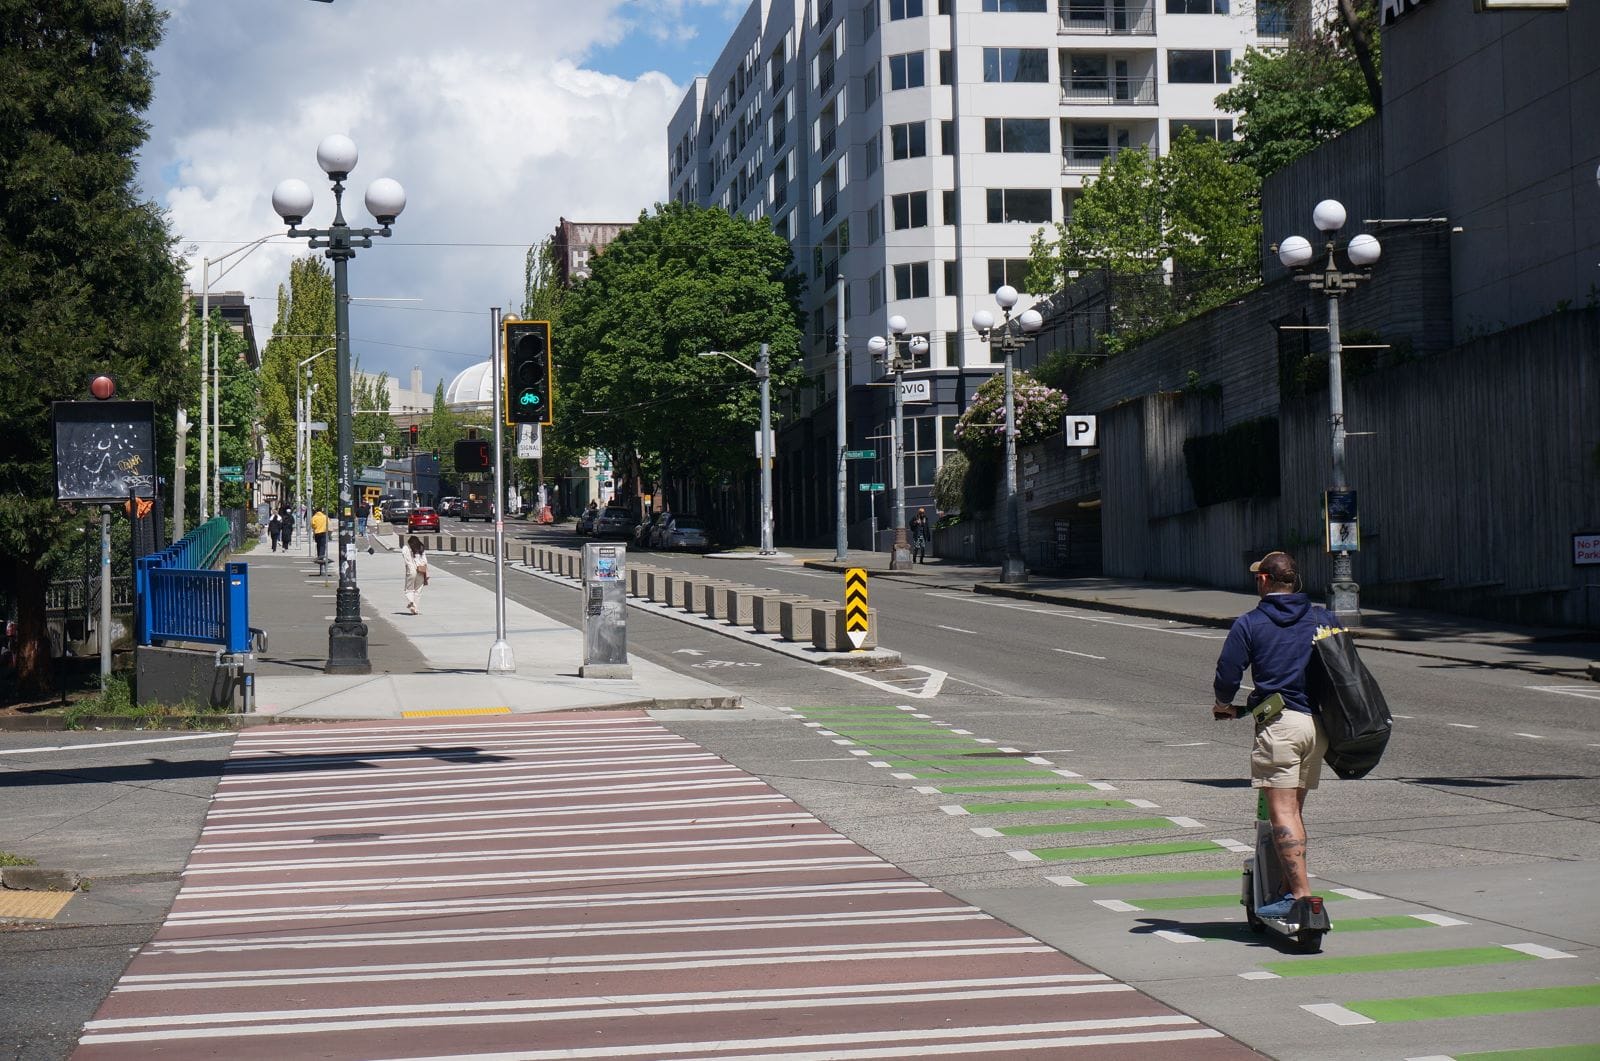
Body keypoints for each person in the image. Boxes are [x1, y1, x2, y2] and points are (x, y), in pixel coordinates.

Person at [1212, 550, 1339, 919]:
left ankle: (1302, 897)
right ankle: (1286, 888)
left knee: (1282, 813)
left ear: (1265, 580)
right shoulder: (1322, 616)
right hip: (1317, 727)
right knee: (1294, 813)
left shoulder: (1251, 622)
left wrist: (1224, 704)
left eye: (1257, 578)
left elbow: (1228, 673)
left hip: (1280, 727)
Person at [402, 535, 429, 615]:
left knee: (409, 589)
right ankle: (415, 608)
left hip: (411, 571)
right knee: (418, 590)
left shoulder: (406, 548)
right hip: (421, 570)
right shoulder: (421, 548)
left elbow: (406, 559)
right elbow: (425, 561)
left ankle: (411, 602)